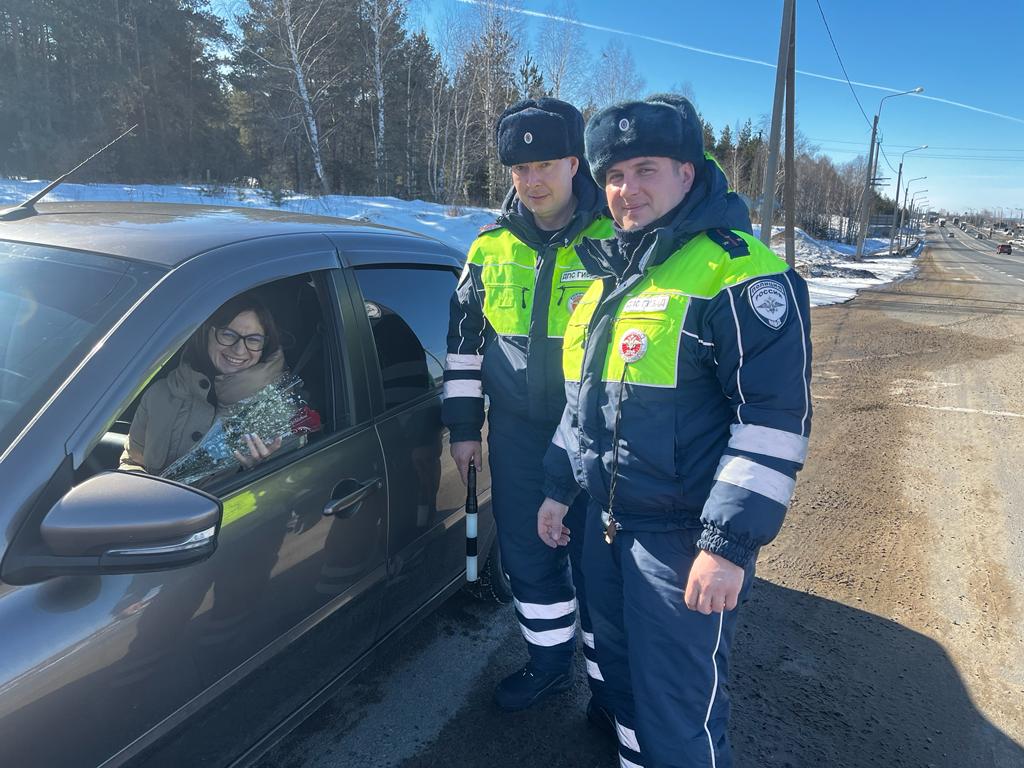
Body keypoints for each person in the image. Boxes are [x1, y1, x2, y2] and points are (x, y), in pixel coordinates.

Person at [538, 95, 812, 768]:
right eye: (615, 175)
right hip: (606, 527)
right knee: (620, 684)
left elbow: (771, 422)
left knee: (676, 708)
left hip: (681, 538)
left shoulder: (739, 272)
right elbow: (585, 405)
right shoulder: (612, 272)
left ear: (687, 174)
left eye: (646, 169)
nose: (627, 189)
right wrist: (555, 487)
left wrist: (727, 544)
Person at [442, 97, 615, 722]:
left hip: (598, 435)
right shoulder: (488, 248)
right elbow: (463, 346)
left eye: (545, 163)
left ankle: (607, 689)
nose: (532, 180)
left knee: (598, 566)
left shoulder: (618, 240)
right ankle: (548, 662)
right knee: (525, 553)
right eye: (519, 167)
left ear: (575, 162)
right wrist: (465, 428)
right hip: (515, 433)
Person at [120, 292, 286, 480]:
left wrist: (257, 473)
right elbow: (131, 462)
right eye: (228, 334)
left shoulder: (275, 412)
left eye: (253, 339)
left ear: (265, 345)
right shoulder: (159, 394)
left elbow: (287, 493)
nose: (239, 349)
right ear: (207, 332)